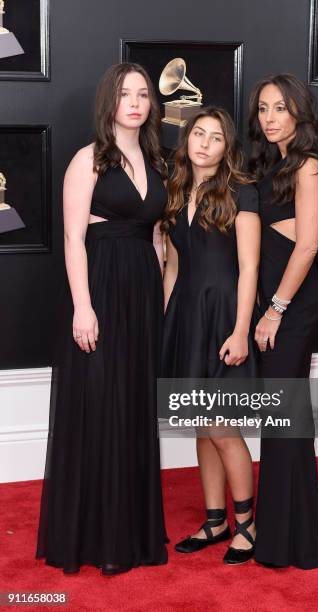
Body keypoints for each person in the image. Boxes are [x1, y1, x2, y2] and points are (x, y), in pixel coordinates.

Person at [36, 63, 168, 575]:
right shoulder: (87, 159)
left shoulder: (155, 160)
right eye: (125, 94)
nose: (135, 103)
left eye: (143, 94)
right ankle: (95, 537)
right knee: (100, 402)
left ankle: (131, 532)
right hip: (101, 291)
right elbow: (73, 239)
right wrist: (83, 306)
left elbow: (156, 237)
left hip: (141, 294)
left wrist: (160, 299)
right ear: (108, 102)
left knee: (132, 404)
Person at [248, 74, 318, 569]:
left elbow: (308, 246)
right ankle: (285, 534)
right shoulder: (271, 161)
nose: (269, 118)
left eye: (279, 108)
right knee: (283, 419)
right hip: (275, 299)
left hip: (291, 305)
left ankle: (292, 541)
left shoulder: (310, 165)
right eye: (263, 109)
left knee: (284, 418)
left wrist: (274, 309)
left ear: (299, 111)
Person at [161, 107, 260, 564]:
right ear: (186, 141)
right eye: (197, 133)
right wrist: (165, 320)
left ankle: (247, 525)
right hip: (186, 313)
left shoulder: (242, 190)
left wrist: (241, 330)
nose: (203, 142)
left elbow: (249, 268)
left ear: (227, 147)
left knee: (222, 425)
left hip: (223, 312)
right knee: (202, 425)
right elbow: (174, 265)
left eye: (214, 137)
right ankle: (216, 521)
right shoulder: (176, 189)